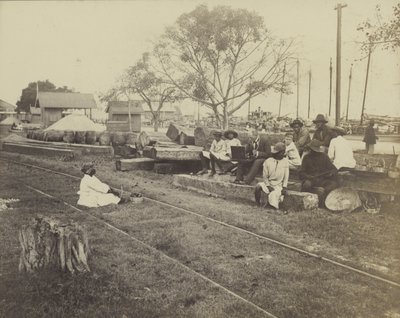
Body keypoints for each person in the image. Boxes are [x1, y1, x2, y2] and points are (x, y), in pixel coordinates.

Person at [299, 140, 339, 204]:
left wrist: (331, 173)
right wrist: (309, 176)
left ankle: (324, 202)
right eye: (312, 150)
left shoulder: (324, 156)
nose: (314, 152)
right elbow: (301, 173)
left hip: (322, 180)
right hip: (311, 180)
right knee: (307, 185)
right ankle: (304, 201)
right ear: (310, 149)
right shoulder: (306, 157)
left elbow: (333, 169)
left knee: (333, 184)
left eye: (315, 151)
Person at [254, 142, 289, 209]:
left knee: (274, 195)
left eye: (283, 152)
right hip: (268, 183)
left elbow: (286, 176)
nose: (282, 154)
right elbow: (265, 176)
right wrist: (268, 186)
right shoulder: (268, 161)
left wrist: (284, 187)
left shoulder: (285, 162)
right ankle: (258, 203)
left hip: (278, 185)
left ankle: (271, 206)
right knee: (258, 186)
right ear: (276, 153)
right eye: (280, 153)